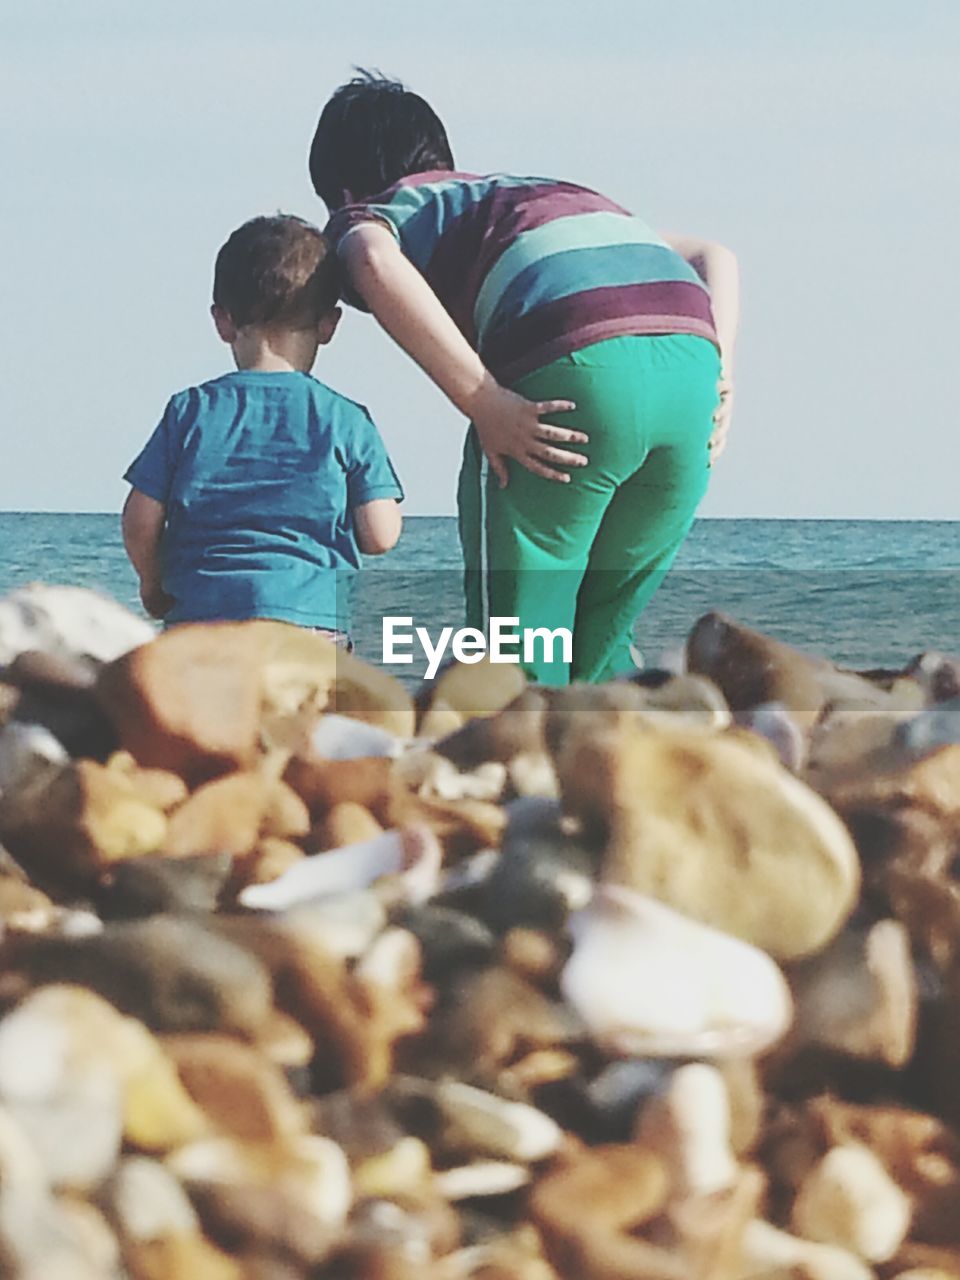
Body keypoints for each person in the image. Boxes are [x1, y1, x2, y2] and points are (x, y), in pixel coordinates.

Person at [310, 72, 740, 683]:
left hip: (576, 370)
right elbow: (712, 256)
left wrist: (482, 399)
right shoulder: (532, 196)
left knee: (517, 639)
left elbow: (371, 258)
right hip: (690, 378)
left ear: (346, 191)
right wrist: (724, 375)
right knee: (601, 629)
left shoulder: (383, 211)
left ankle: (520, 757)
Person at [121, 214, 403, 645]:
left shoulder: (190, 411)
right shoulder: (345, 418)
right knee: (308, 714)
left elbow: (141, 517)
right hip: (308, 622)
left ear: (223, 321)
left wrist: (152, 584)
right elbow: (381, 534)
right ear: (329, 324)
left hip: (202, 620)